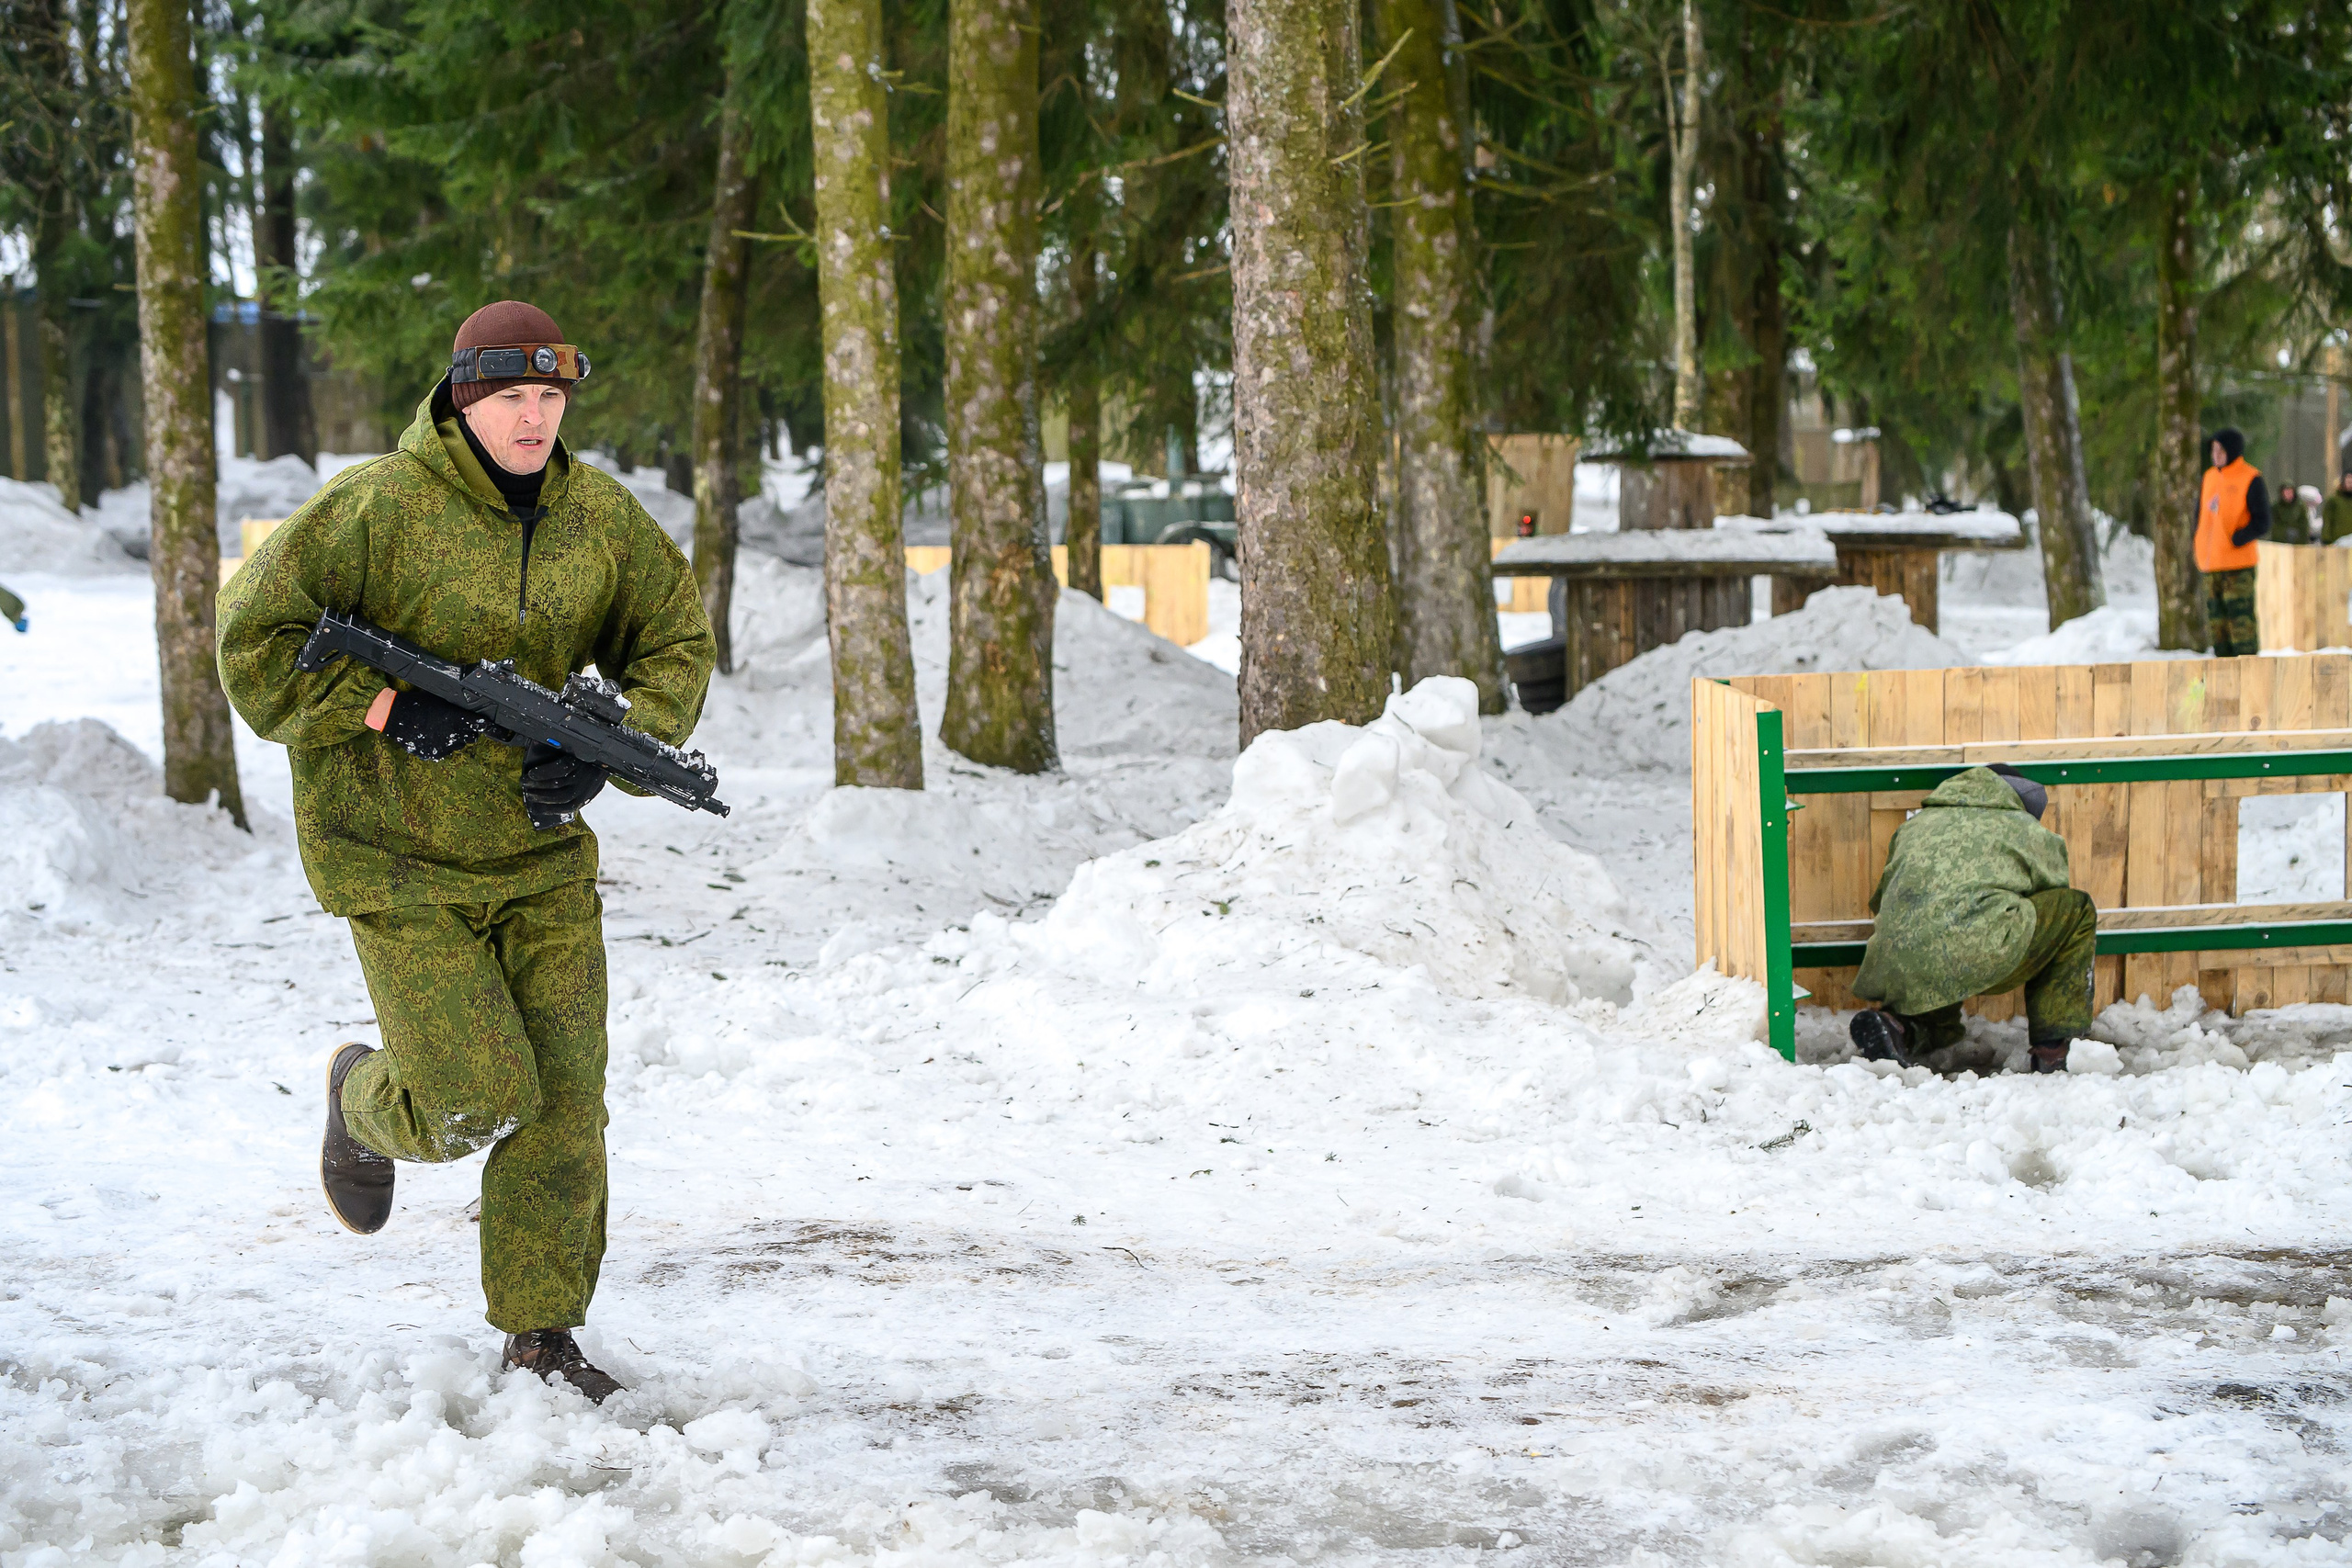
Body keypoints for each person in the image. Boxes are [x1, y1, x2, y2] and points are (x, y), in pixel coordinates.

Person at [217, 300, 717, 1404]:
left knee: (566, 1102)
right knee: (473, 1097)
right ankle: (358, 1099)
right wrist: (383, 706)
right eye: (511, 399)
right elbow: (250, 640)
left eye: (550, 398)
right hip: (396, 857)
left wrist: (618, 742)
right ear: (461, 399)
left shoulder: (598, 517)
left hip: (538, 857)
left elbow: (677, 635)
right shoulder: (374, 507)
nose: (534, 418)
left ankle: (540, 1339)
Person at [1848, 763, 2097, 1075]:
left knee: (1935, 1010)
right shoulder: (2025, 828)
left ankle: (1897, 1028)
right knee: (2076, 910)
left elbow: (1880, 899)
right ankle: (2053, 1047)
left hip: (1901, 961)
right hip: (1979, 948)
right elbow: (2053, 891)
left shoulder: (1914, 827)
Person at [2194, 427, 2270, 658]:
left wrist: (2238, 538)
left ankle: (2249, 678)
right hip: (2211, 564)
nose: (2215, 455)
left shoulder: (2250, 478)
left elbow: (2263, 521)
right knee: (2218, 629)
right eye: (2213, 450)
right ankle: (2223, 680)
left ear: (2233, 451)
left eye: (2221, 450)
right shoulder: (2208, 477)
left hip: (2238, 565)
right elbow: (2201, 515)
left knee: (2240, 626)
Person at [2272, 479, 2312, 545]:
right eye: (2286, 491)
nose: (2288, 494)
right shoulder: (2276, 507)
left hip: (2297, 542)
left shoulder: (2300, 507)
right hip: (2280, 542)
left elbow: (2304, 524)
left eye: (2290, 491)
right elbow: (2274, 525)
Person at [2323, 469, 2352, 546]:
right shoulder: (2334, 500)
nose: (2350, 484)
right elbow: (2327, 520)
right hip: (2338, 542)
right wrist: (2326, 539)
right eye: (2348, 481)